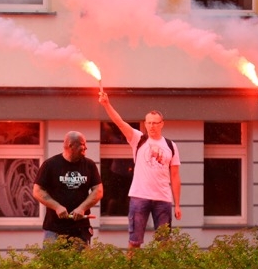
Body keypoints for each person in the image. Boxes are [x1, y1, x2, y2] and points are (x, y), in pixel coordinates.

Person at [99, 92, 182, 249]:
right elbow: (120, 123)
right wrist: (106, 104)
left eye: (155, 123)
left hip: (162, 198)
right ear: (145, 123)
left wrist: (177, 204)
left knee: (164, 243)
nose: (152, 126)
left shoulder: (171, 145)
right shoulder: (138, 139)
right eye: (149, 123)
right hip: (139, 196)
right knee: (134, 241)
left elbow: (176, 176)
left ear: (162, 124)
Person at [32, 131, 103, 248]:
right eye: (82, 144)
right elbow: (37, 190)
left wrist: (82, 208)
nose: (86, 147)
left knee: (79, 265)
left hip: (80, 229)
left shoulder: (89, 165)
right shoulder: (50, 165)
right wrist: (57, 207)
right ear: (71, 145)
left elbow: (98, 191)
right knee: (52, 265)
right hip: (54, 229)